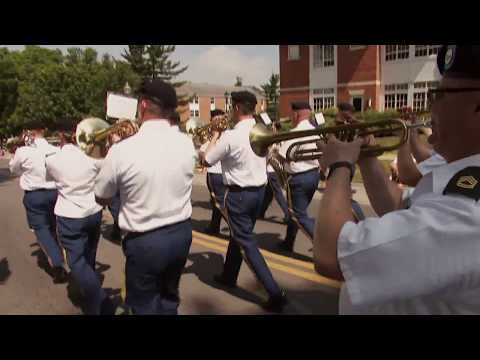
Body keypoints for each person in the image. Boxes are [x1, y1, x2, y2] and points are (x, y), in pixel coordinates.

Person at [313, 45, 480, 314]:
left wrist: (340, 166)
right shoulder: (461, 179)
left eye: (440, 94)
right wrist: (366, 159)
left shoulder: (468, 209)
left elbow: (330, 254)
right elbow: (399, 204)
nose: (430, 104)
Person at [95, 79, 196, 315]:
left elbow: (101, 195)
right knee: (169, 299)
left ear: (142, 106)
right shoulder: (186, 143)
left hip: (145, 242)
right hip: (181, 234)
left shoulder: (122, 150)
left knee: (143, 306)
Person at [201, 91, 287, 312]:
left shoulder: (230, 136)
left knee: (246, 242)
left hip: (238, 195)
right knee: (238, 234)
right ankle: (229, 275)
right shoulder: (263, 131)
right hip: (258, 192)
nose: (229, 110)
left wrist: (215, 135)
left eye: (231, 106)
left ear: (238, 108)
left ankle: (274, 292)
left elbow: (207, 159)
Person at [45, 122, 116, 315]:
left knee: (76, 262)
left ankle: (100, 302)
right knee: (90, 255)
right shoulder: (93, 160)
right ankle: (90, 295)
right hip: (93, 212)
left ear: (60, 135)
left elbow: (49, 179)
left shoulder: (52, 159)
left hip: (69, 215)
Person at [9, 121, 68, 284]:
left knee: (41, 229)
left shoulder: (23, 150)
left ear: (28, 132)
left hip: (34, 195)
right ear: (44, 130)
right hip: (55, 193)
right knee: (53, 227)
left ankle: (57, 263)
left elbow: (14, 169)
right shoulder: (55, 149)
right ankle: (61, 255)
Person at [276, 102, 321, 252]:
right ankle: (288, 242)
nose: (291, 117)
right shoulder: (316, 131)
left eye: (292, 114)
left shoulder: (295, 132)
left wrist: (272, 151)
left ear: (296, 114)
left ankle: (325, 246)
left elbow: (280, 157)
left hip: (299, 179)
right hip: (314, 176)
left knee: (298, 215)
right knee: (295, 211)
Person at [199, 109, 227, 235]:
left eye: (221, 120)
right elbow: (205, 157)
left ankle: (214, 227)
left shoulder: (228, 135)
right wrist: (215, 136)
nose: (219, 123)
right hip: (215, 175)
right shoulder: (208, 139)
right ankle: (234, 228)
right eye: (216, 120)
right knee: (219, 204)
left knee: (220, 204)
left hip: (228, 174)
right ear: (211, 122)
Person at [257, 121, 290, 223]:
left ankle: (288, 215)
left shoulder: (272, 140)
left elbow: (267, 155)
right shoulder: (281, 139)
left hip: (272, 170)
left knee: (278, 194)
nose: (271, 128)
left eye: (272, 127)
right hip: (277, 168)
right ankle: (260, 212)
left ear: (275, 128)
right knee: (269, 193)